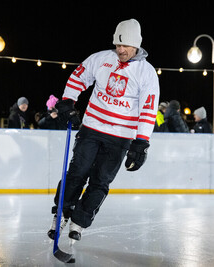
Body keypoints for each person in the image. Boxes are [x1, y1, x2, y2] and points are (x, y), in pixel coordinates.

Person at [48, 19, 160, 242]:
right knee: (77, 173)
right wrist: (69, 101)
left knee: (100, 181)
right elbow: (78, 77)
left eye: (125, 46)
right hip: (92, 128)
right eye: (117, 45)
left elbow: (148, 110)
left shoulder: (146, 73)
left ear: (136, 45)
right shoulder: (100, 59)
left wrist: (141, 142)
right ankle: (61, 214)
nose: (120, 50)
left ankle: (78, 222)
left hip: (120, 138)